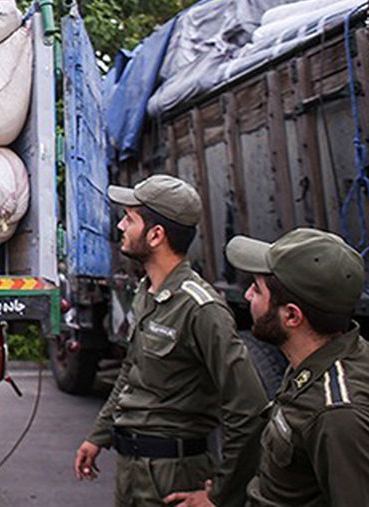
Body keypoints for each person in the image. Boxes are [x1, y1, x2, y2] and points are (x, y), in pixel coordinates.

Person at [167, 228, 369, 507]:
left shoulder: (340, 416)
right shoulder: (321, 359)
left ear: (291, 315)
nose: (246, 296)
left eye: (256, 289)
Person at [73, 174, 266, 507]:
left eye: (130, 219)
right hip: (131, 470)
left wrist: (220, 494)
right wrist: (99, 435)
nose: (120, 226)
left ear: (156, 235)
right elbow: (130, 374)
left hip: (174, 476)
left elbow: (248, 410)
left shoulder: (201, 309)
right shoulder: (147, 294)